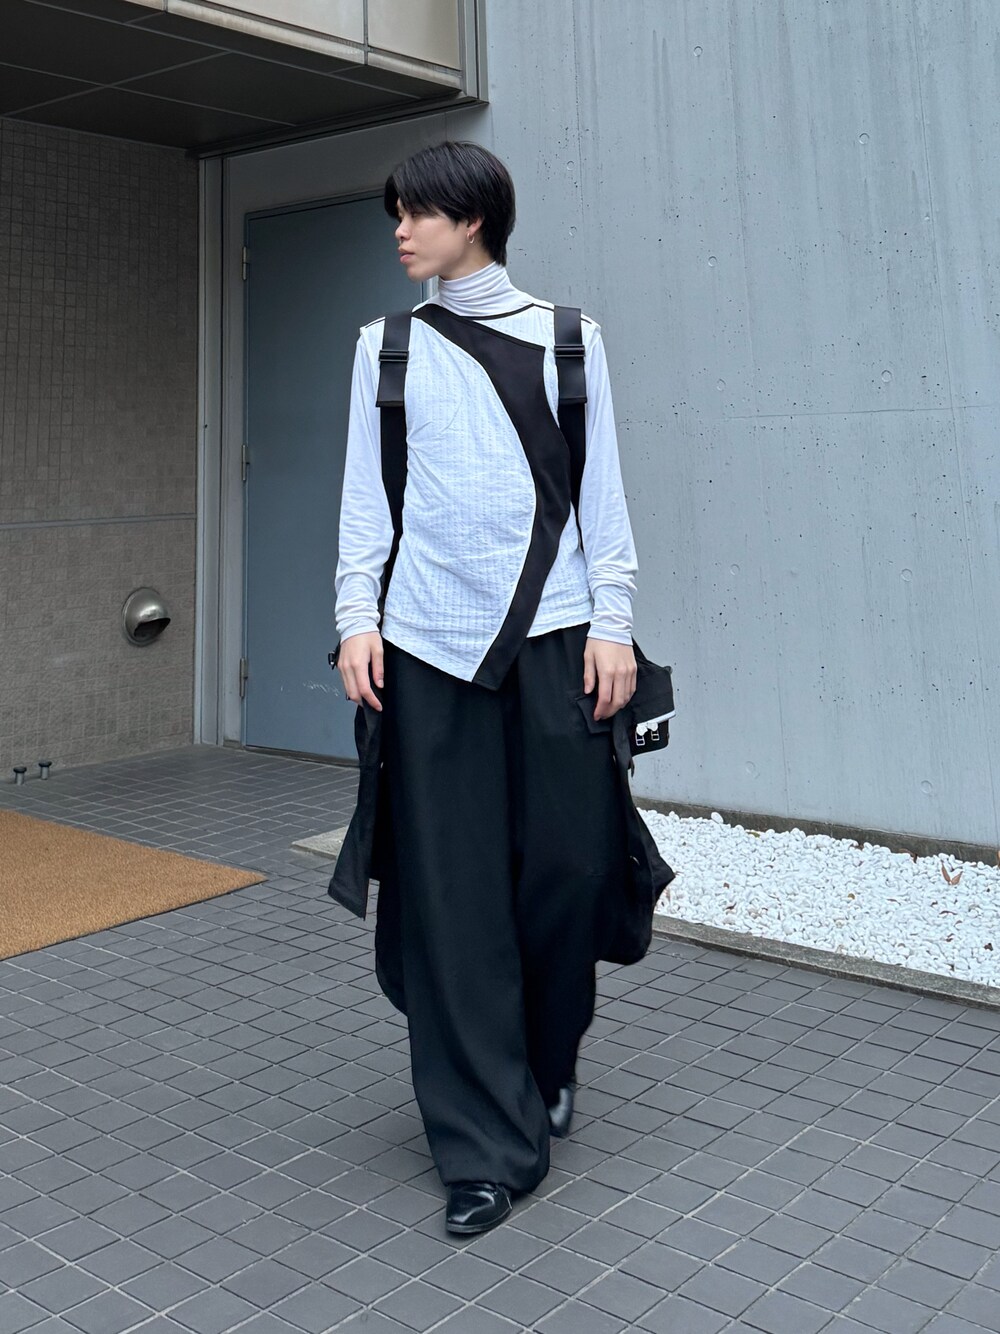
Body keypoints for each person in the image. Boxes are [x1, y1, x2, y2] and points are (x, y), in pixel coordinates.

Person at [332, 140, 670, 1235]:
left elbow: (602, 496)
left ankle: (547, 1051)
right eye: (395, 213)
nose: (399, 231)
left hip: (557, 640)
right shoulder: (385, 347)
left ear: (470, 218)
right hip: (427, 650)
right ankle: (482, 1147)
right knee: (451, 894)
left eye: (415, 213)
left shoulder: (570, 341)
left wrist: (613, 625)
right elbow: (366, 500)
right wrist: (355, 618)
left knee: (570, 867)